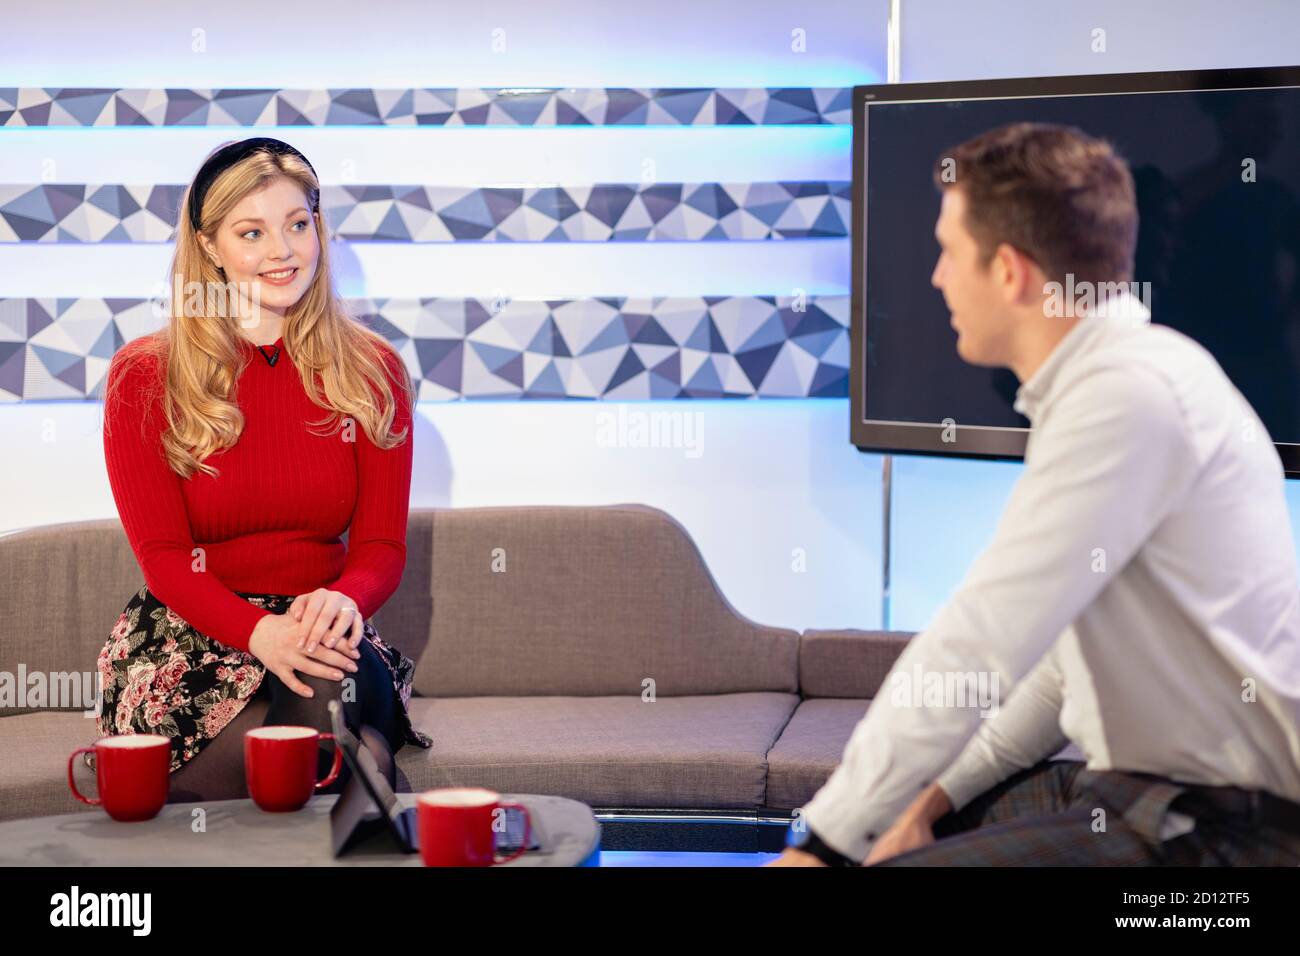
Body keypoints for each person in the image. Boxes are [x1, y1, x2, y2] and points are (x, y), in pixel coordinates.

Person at [769, 122, 1300, 866]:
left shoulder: (1126, 398)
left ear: (1011, 272)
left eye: (949, 252)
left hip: (1220, 838)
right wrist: (926, 799)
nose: (936, 278)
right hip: (1132, 799)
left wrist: (822, 848)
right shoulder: (1112, 384)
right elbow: (1051, 667)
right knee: (912, 819)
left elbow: (978, 644)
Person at [97, 137, 432, 802]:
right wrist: (259, 632)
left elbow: (380, 548)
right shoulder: (146, 375)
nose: (283, 251)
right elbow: (163, 557)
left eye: (297, 224)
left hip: (321, 623)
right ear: (209, 245)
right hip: (192, 632)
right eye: (252, 232)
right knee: (302, 764)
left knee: (327, 713)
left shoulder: (372, 371)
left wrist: (345, 599)